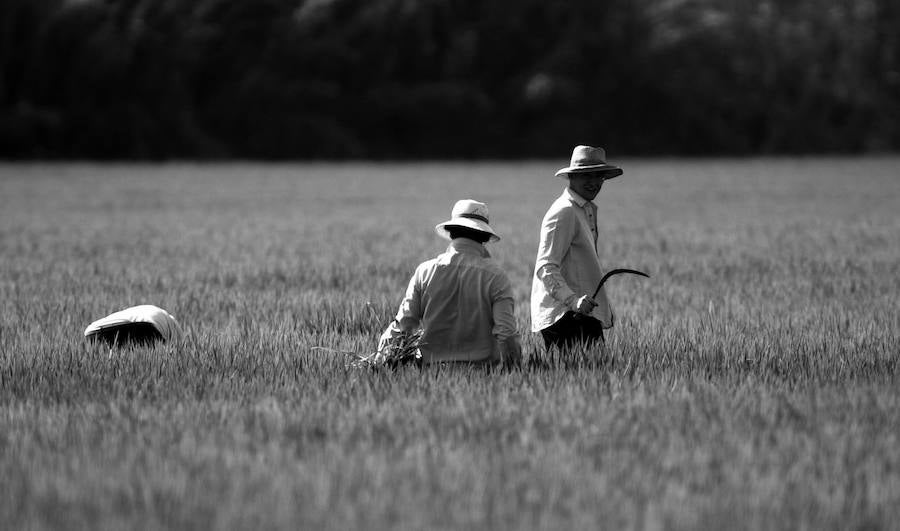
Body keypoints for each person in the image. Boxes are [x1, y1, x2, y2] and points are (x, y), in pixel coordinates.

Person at [378, 199, 522, 366]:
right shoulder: (496, 276)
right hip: (483, 374)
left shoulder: (425, 271)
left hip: (428, 375)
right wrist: (515, 370)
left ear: (451, 232)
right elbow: (506, 333)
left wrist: (379, 360)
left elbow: (404, 324)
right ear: (484, 236)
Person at [531, 145, 622, 352]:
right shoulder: (564, 212)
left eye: (599, 176)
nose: (594, 182)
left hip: (581, 312)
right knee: (587, 375)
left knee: (596, 376)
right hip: (565, 315)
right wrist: (573, 301)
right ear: (572, 177)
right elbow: (546, 267)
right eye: (586, 175)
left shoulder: (582, 209)